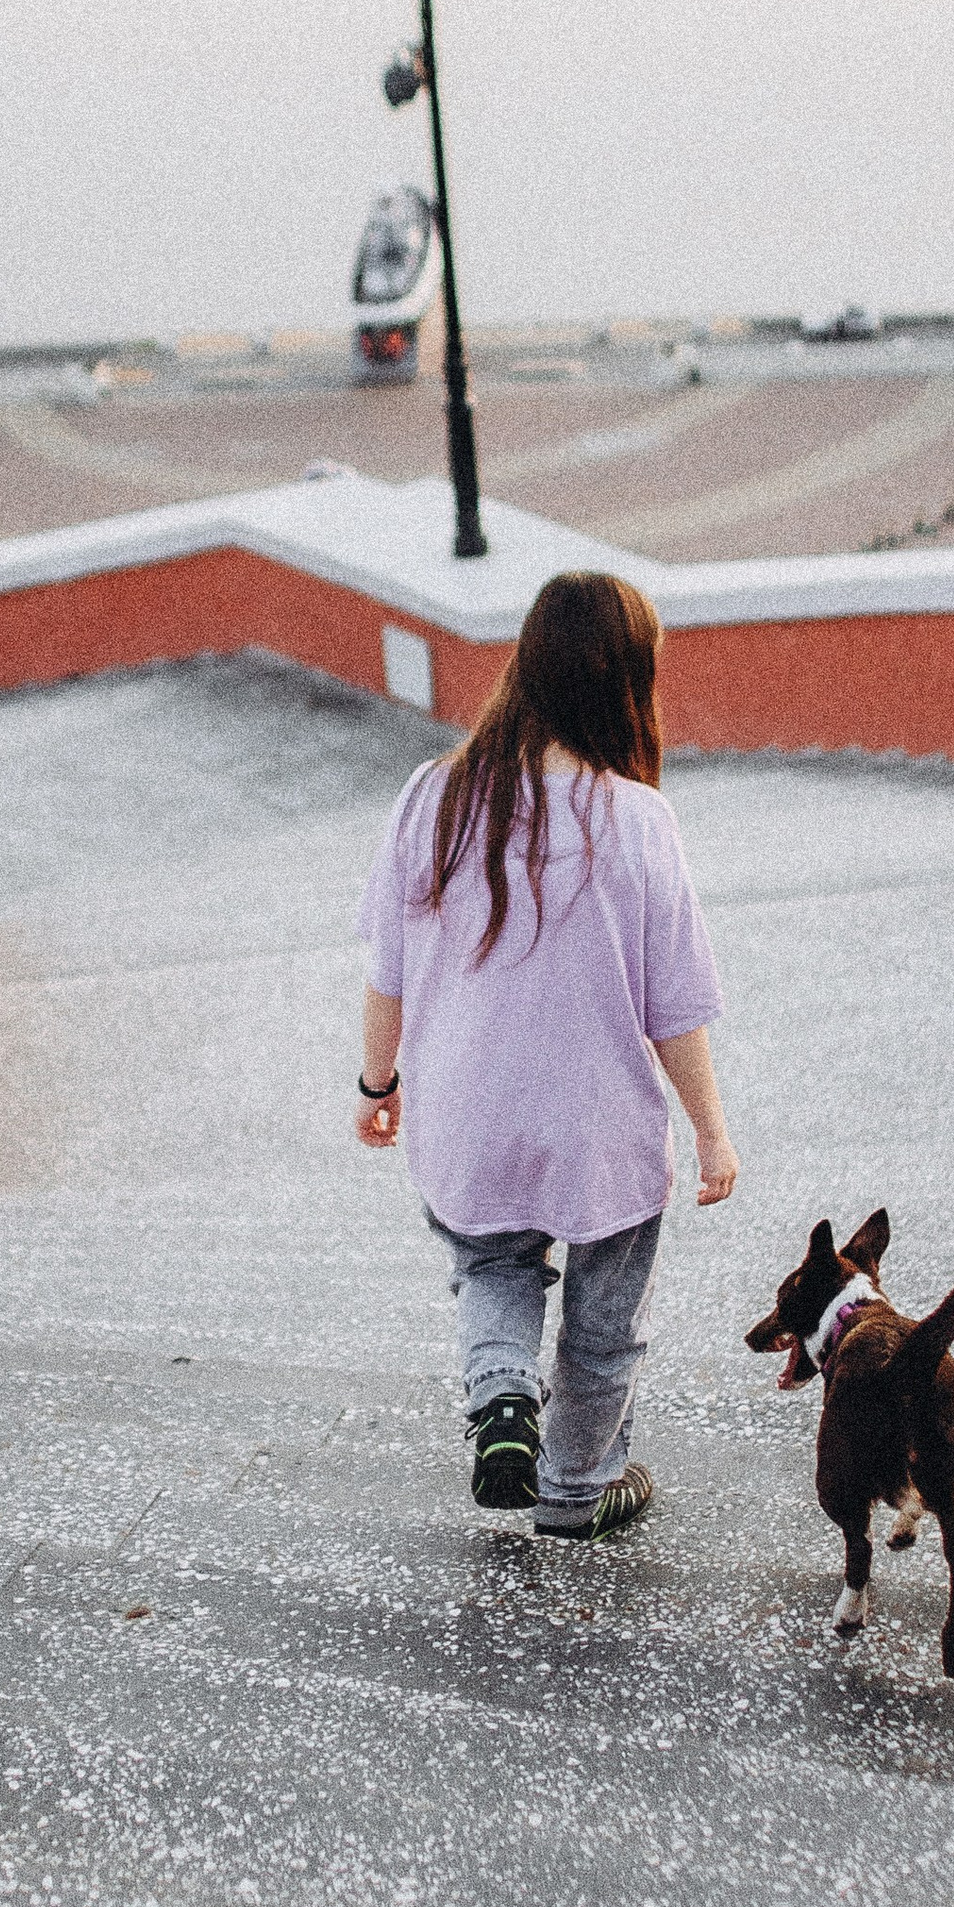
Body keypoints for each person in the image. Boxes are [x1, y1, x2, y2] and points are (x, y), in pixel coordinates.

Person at [353, 569, 737, 1539]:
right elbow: (674, 1006)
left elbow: (387, 968)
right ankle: (577, 1488)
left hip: (468, 1119)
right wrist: (711, 1136)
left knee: (492, 1270)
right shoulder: (640, 821)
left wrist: (376, 1084)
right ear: (627, 680)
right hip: (600, 1131)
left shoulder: (432, 795)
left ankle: (501, 1401)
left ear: (524, 661)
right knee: (605, 1328)